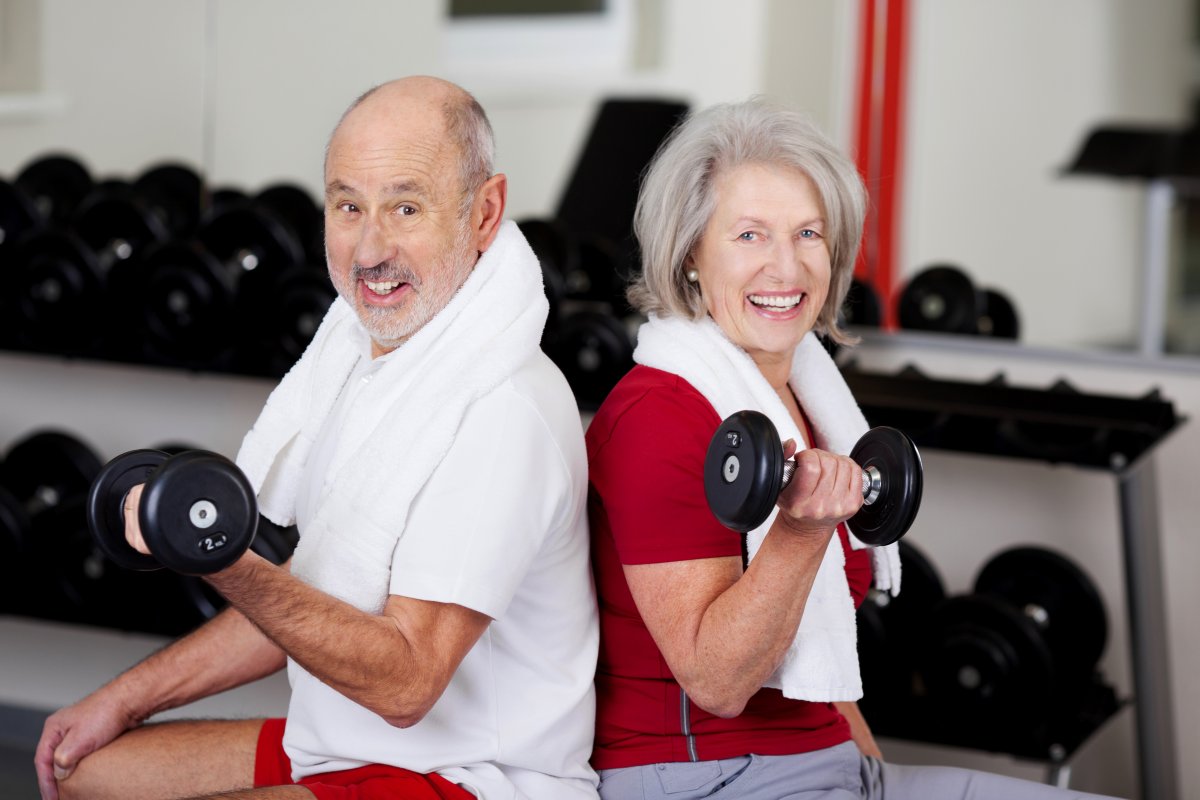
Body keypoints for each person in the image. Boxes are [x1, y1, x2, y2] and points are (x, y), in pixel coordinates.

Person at [34, 76, 599, 800]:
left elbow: (405, 683)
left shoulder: (502, 410)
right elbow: (307, 602)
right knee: (84, 771)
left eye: (405, 206)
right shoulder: (361, 364)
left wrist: (219, 556)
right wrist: (122, 699)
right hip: (333, 743)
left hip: (471, 777)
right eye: (348, 206)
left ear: (484, 212)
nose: (369, 250)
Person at [584, 98, 1124, 799]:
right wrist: (801, 531)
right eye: (749, 235)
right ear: (690, 253)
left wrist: (870, 771)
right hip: (702, 776)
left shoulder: (811, 399)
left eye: (808, 233)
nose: (786, 267)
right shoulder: (658, 417)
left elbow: (823, 645)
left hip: (820, 761)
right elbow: (716, 681)